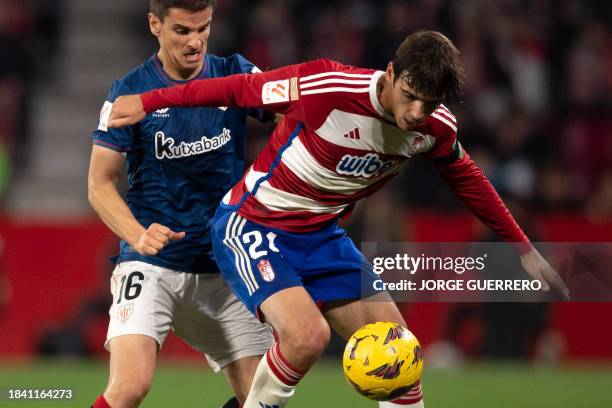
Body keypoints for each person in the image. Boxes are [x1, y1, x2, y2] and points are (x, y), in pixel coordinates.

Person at [108, 30, 570, 408]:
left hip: (323, 236)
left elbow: (468, 179)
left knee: (399, 356)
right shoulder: (327, 86)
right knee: (308, 338)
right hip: (253, 223)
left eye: (428, 105)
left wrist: (524, 249)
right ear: (391, 74)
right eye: (409, 96)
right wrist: (150, 102)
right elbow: (237, 89)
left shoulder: (435, 127)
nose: (414, 114)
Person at [88, 1, 274, 407]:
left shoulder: (235, 73)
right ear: (155, 24)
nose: (196, 42)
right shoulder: (129, 92)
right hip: (153, 264)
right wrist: (137, 234)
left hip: (225, 266)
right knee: (128, 388)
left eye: (203, 28)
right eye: (182, 31)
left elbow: (293, 110)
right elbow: (99, 184)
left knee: (263, 400)